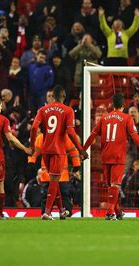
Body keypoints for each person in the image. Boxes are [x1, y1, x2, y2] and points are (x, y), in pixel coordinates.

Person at [83, 94, 139, 220]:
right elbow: (135, 137)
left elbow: (92, 135)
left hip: (105, 155)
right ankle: (110, 212)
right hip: (118, 156)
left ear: (112, 105)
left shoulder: (104, 118)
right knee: (115, 185)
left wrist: (83, 150)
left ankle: (117, 212)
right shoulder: (127, 118)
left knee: (110, 187)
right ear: (123, 105)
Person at [30, 85, 88, 220]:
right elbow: (71, 132)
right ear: (64, 96)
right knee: (54, 181)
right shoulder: (68, 110)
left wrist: (32, 145)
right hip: (58, 151)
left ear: (53, 96)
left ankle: (61, 210)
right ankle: (47, 212)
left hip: (46, 150)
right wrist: (81, 149)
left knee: (53, 181)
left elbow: (33, 128)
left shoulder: (43, 110)